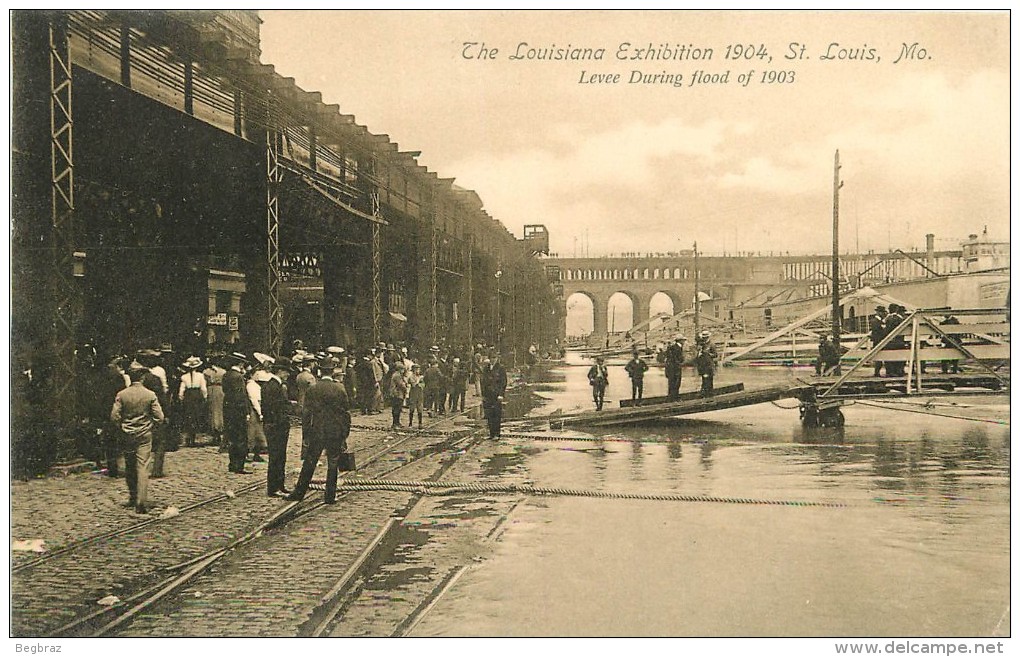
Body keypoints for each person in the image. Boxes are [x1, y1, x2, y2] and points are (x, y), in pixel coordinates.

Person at [287, 367, 352, 504]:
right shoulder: (339, 389)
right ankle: (330, 496)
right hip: (335, 432)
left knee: (310, 462)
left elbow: (306, 414)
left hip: (317, 431)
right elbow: (346, 413)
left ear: (320, 373)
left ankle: (299, 493)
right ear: (332, 373)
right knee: (333, 462)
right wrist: (344, 433)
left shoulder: (313, 389)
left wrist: (306, 434)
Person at [111, 362, 164, 514]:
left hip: (127, 434)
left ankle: (132, 497)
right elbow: (159, 417)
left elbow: (114, 416)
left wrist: (122, 425)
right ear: (142, 377)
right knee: (142, 467)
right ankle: (141, 501)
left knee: (129, 465)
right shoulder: (150, 394)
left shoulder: (122, 394)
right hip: (144, 435)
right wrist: (150, 425)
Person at [261, 359, 292, 497]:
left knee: (280, 456)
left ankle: (279, 485)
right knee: (276, 456)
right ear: (279, 371)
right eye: (286, 371)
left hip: (276, 425)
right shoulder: (273, 386)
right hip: (276, 426)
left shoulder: (274, 385)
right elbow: (272, 408)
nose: (288, 375)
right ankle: (274, 487)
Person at [222, 352, 253, 475]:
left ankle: (232, 463)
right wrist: (246, 411)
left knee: (232, 437)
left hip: (228, 408)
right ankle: (239, 465)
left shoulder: (226, 375)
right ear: (240, 364)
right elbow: (240, 396)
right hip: (238, 410)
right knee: (240, 437)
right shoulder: (238, 377)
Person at [178, 356, 208, 447]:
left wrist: (181, 397)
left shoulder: (184, 377)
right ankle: (193, 437)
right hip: (197, 395)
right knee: (196, 415)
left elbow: (181, 389)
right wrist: (205, 397)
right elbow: (203, 388)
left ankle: (190, 436)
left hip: (188, 395)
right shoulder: (200, 376)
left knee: (189, 415)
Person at [480, 350, 508, 439]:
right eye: (491, 358)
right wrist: (483, 395)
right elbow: (483, 382)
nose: (493, 360)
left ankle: (497, 433)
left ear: (497, 358)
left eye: (494, 358)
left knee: (496, 414)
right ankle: (491, 434)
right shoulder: (486, 368)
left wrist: (501, 394)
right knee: (489, 414)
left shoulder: (501, 368)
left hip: (496, 395)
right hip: (488, 395)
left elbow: (503, 382)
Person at [203, 357, 226, 452]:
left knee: (212, 412)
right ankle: (219, 432)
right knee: (218, 411)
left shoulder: (206, 372)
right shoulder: (223, 372)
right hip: (220, 390)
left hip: (211, 390)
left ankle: (215, 433)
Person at [695, 331, 718, 395]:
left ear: (708, 337)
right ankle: (705, 393)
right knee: (704, 380)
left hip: (709, 365)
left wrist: (707, 354)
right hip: (702, 365)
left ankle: (709, 394)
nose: (704, 339)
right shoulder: (702, 345)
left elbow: (715, 355)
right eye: (703, 337)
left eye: (705, 337)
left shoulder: (712, 345)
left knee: (709, 381)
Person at [387, 360, 408, 428]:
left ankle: (397, 422)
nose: (403, 371)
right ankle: (395, 423)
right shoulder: (397, 375)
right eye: (402, 369)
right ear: (400, 369)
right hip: (397, 394)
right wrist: (406, 388)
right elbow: (401, 385)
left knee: (397, 409)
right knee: (396, 409)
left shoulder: (397, 375)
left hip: (397, 393)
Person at [869, 306, 888, 377]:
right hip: (878, 341)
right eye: (882, 312)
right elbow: (877, 332)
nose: (883, 314)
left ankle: (877, 372)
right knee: (878, 357)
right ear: (878, 312)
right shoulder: (875, 321)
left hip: (879, 341)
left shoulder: (878, 321)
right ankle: (876, 372)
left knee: (880, 357)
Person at [407, 364, 426, 429]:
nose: (417, 371)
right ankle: (410, 424)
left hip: (420, 394)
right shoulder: (411, 376)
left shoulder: (420, 377)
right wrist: (418, 380)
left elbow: (423, 385)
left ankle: (420, 424)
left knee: (420, 409)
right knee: (412, 408)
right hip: (413, 394)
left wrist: (421, 383)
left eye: (418, 369)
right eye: (416, 369)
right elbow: (413, 384)